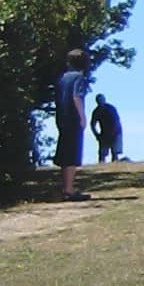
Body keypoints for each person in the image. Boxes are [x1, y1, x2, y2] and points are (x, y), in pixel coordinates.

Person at [54, 48, 89, 201]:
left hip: (61, 117)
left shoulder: (62, 78)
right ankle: (69, 190)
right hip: (73, 118)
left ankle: (65, 187)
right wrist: (82, 116)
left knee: (64, 153)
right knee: (72, 155)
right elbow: (77, 97)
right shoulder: (79, 78)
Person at [89, 94, 126, 163]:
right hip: (105, 133)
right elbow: (92, 124)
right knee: (102, 154)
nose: (100, 102)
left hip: (115, 132)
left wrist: (114, 134)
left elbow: (116, 122)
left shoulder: (110, 109)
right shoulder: (97, 111)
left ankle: (114, 163)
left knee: (114, 153)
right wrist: (97, 135)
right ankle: (103, 163)